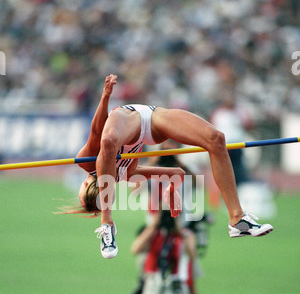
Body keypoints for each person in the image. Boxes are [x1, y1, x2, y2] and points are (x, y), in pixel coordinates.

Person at [75, 74, 273, 259]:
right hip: (146, 125)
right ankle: (107, 223)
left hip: (138, 117)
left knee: (216, 139)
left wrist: (105, 97)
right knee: (108, 141)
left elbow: (98, 130)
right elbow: (176, 173)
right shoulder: (119, 172)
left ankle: (237, 219)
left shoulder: (96, 164)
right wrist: (172, 189)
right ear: (84, 186)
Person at [130, 210, 199, 294]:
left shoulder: (185, 234)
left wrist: (179, 230)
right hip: (153, 284)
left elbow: (192, 254)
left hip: (176, 286)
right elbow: (135, 249)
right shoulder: (153, 232)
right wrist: (153, 226)